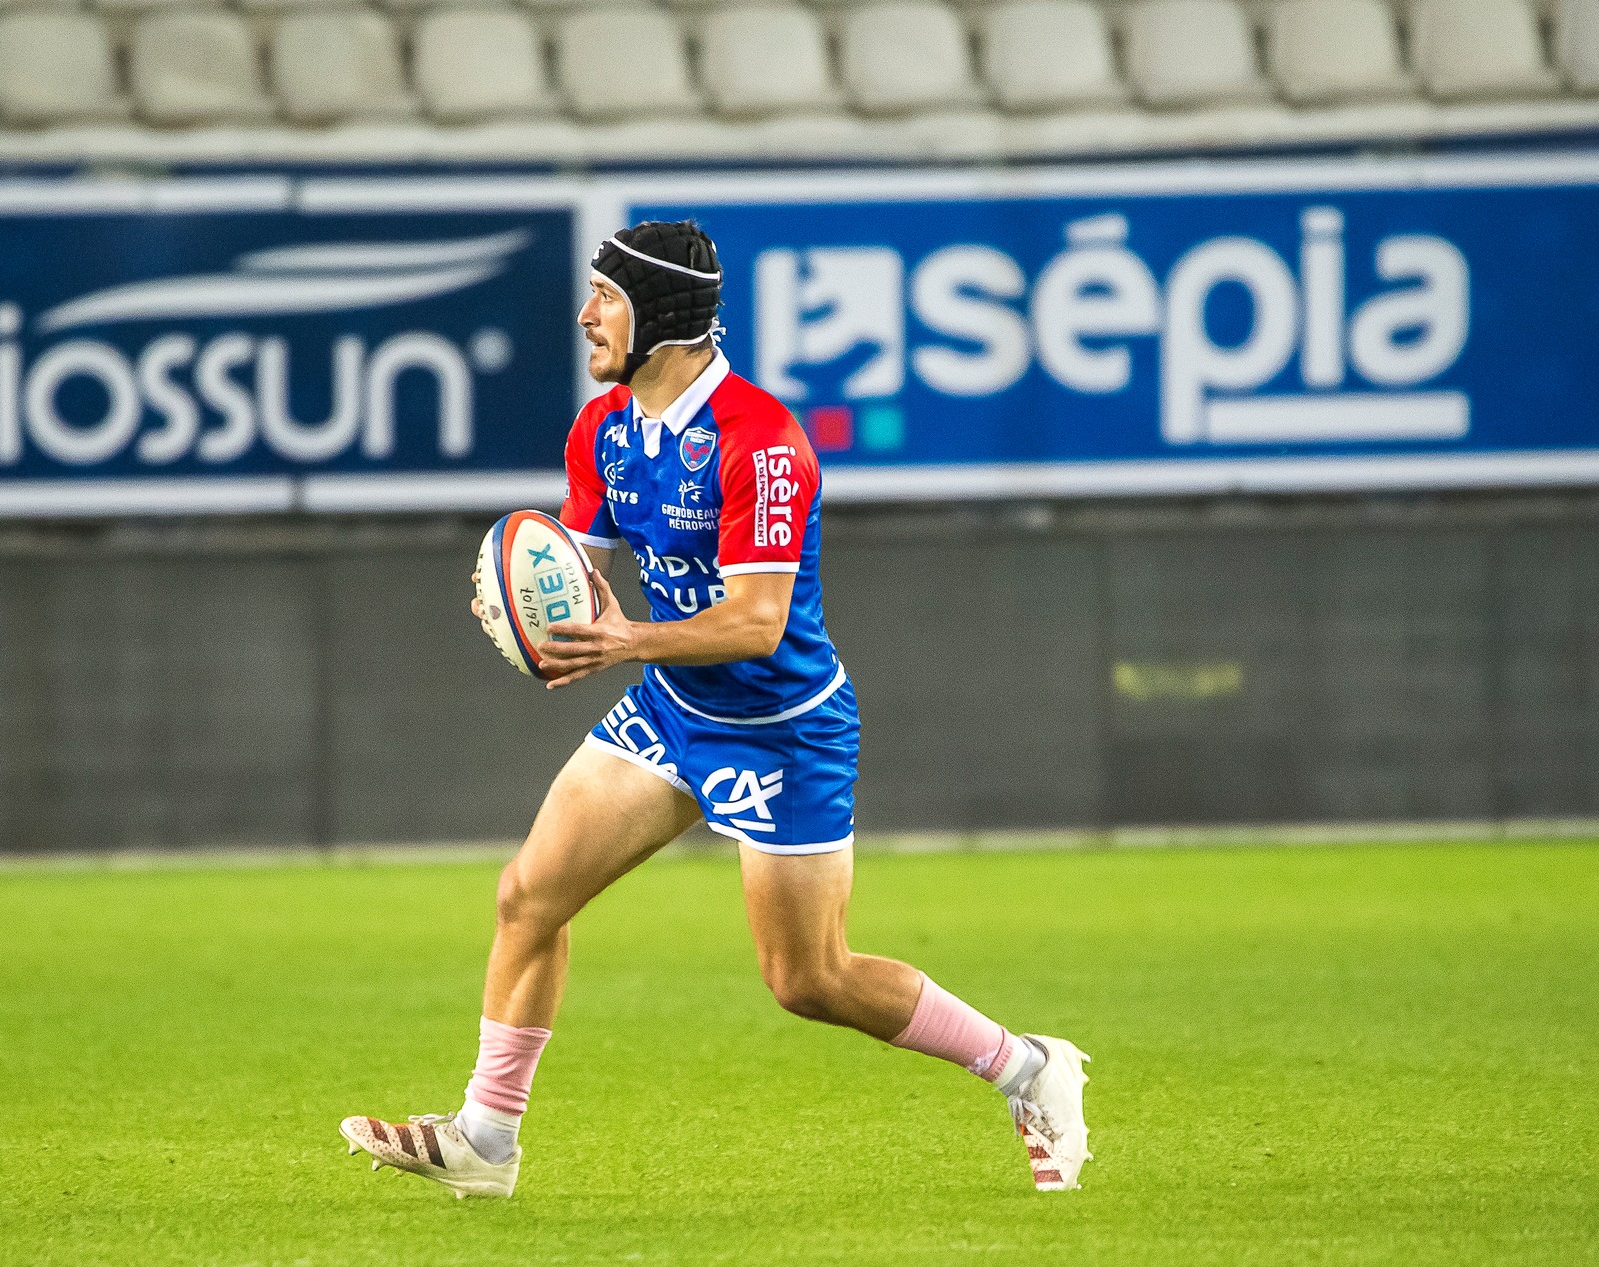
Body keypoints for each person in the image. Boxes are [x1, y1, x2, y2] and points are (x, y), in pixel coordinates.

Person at [341, 221, 1090, 1198]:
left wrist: (624, 642)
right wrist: (535, 619)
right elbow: (577, 582)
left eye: (606, 298)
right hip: (670, 710)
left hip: (782, 729)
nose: (585, 315)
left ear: (659, 316)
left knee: (807, 979)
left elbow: (757, 621)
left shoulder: (759, 440)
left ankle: (1028, 1068)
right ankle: (486, 1138)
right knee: (529, 895)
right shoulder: (602, 430)